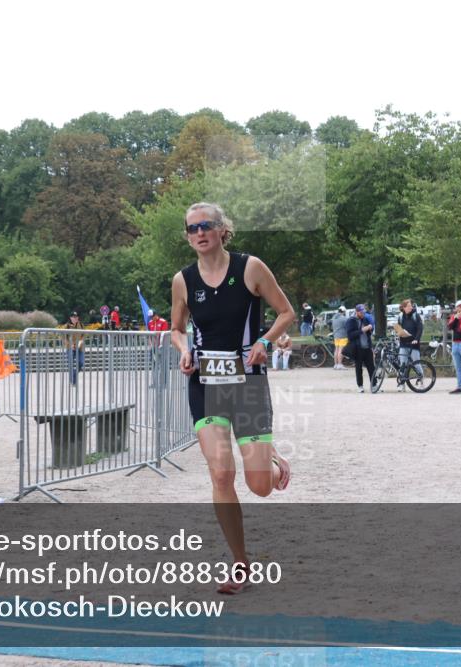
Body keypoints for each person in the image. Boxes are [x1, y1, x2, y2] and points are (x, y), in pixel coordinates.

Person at [170, 201, 293, 595]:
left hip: (249, 384)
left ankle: (271, 460)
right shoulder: (183, 280)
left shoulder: (250, 268)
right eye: (192, 228)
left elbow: (286, 313)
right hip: (206, 384)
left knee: (259, 485)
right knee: (221, 473)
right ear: (188, 236)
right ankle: (241, 564)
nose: (200, 233)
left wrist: (263, 341)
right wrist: (183, 349)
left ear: (223, 229)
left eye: (207, 225)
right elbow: (176, 329)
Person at [347, 304, 375, 393]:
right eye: (361, 312)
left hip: (367, 347)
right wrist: (362, 330)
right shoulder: (351, 321)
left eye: (363, 312)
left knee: (371, 367)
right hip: (357, 348)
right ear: (357, 312)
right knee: (358, 368)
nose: (363, 314)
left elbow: (369, 333)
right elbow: (350, 335)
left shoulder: (365, 319)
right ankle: (360, 386)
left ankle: (374, 385)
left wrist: (370, 329)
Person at [395, 299, 422, 369]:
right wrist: (398, 333)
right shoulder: (400, 316)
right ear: (404, 308)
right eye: (409, 306)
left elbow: (420, 328)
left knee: (416, 363)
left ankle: (421, 378)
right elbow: (399, 328)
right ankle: (403, 379)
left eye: (411, 306)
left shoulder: (416, 315)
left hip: (414, 344)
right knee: (403, 364)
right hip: (403, 343)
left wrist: (416, 339)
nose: (411, 307)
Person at [66, 311, 85, 386]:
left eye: (76, 317)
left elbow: (84, 335)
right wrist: (70, 345)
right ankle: (73, 381)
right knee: (70, 363)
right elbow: (64, 337)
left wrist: (80, 343)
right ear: (70, 318)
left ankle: (74, 374)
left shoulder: (81, 325)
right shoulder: (67, 326)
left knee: (81, 362)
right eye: (74, 317)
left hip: (80, 348)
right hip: (70, 347)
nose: (75, 318)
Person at [331, 305, 349, 370]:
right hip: (342, 336)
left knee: (336, 350)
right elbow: (347, 326)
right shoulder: (344, 318)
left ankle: (335, 364)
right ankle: (340, 364)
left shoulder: (334, 318)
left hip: (336, 336)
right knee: (341, 350)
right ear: (343, 311)